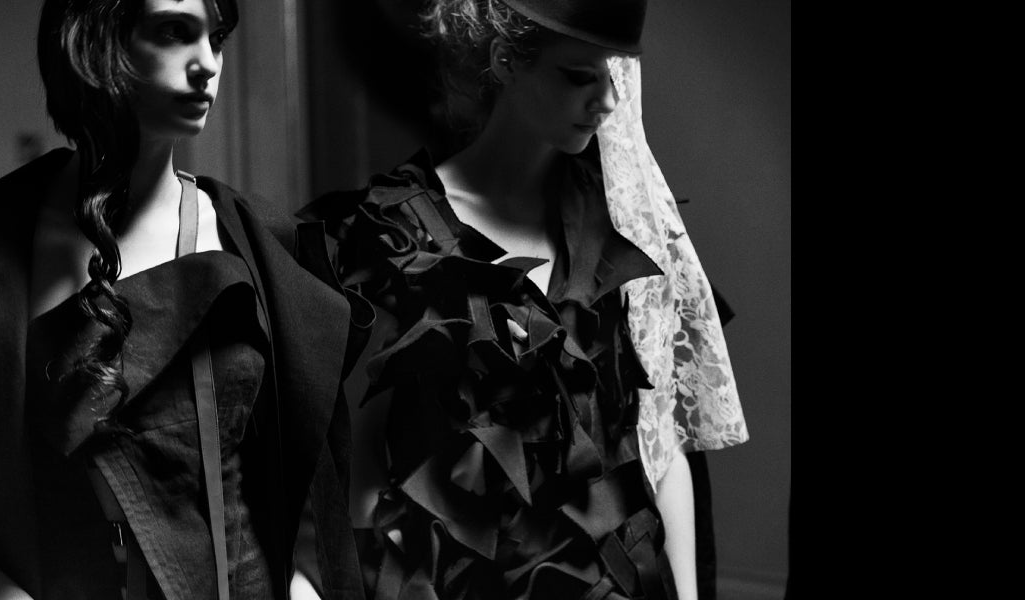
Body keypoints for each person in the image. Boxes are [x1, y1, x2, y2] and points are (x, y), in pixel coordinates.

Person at [0, 0, 361, 598]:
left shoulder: (257, 245)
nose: (207, 64)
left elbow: (302, 493)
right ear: (98, 43)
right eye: (174, 32)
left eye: (216, 38)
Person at [297, 0, 748, 598]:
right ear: (506, 61)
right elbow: (355, 465)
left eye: (612, 74)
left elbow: (661, 452)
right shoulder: (388, 235)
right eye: (578, 76)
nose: (607, 101)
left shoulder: (621, 230)